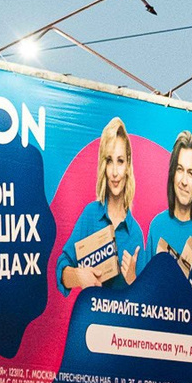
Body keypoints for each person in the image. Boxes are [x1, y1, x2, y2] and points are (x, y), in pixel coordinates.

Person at [60, 118, 142, 292]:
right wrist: (78, 275)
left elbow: (144, 305)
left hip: (121, 320)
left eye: (120, 161)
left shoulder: (136, 233)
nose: (114, 172)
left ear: (128, 165)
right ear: (103, 166)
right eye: (109, 161)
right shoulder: (90, 215)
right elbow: (61, 269)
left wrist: (133, 280)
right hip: (91, 317)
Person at [144, 130, 192, 303]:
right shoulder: (157, 227)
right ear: (172, 174)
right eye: (180, 169)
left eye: (191, 173)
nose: (184, 181)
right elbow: (143, 293)